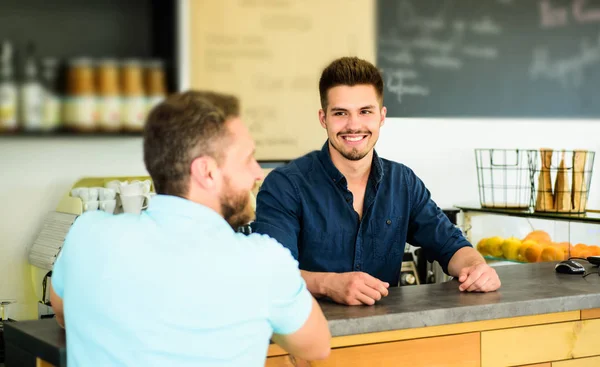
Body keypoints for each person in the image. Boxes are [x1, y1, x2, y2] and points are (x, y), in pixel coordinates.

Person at [49, 91, 331, 367]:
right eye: (247, 158)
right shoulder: (263, 262)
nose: (257, 172)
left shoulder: (86, 234)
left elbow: (62, 312)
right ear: (206, 172)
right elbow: (316, 346)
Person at [252, 57, 501, 306]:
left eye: (365, 111)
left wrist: (477, 267)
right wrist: (328, 284)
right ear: (323, 118)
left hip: (384, 335)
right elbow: (272, 275)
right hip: (306, 336)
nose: (354, 125)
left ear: (381, 117)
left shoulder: (403, 182)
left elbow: (450, 245)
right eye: (340, 113)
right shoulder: (284, 186)